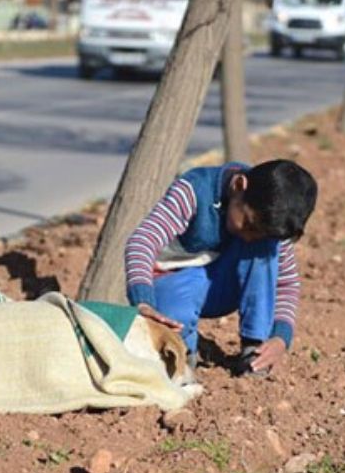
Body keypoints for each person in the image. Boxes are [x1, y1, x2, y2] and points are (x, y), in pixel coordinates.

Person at [124, 159, 317, 376]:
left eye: (258, 232)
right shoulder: (193, 191)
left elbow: (286, 283)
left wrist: (281, 337)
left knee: (264, 247)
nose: (249, 237)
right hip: (174, 284)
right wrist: (143, 302)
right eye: (248, 224)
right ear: (238, 186)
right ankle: (185, 353)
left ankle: (255, 350)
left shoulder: (272, 218)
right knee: (174, 340)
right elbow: (142, 241)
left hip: (223, 284)